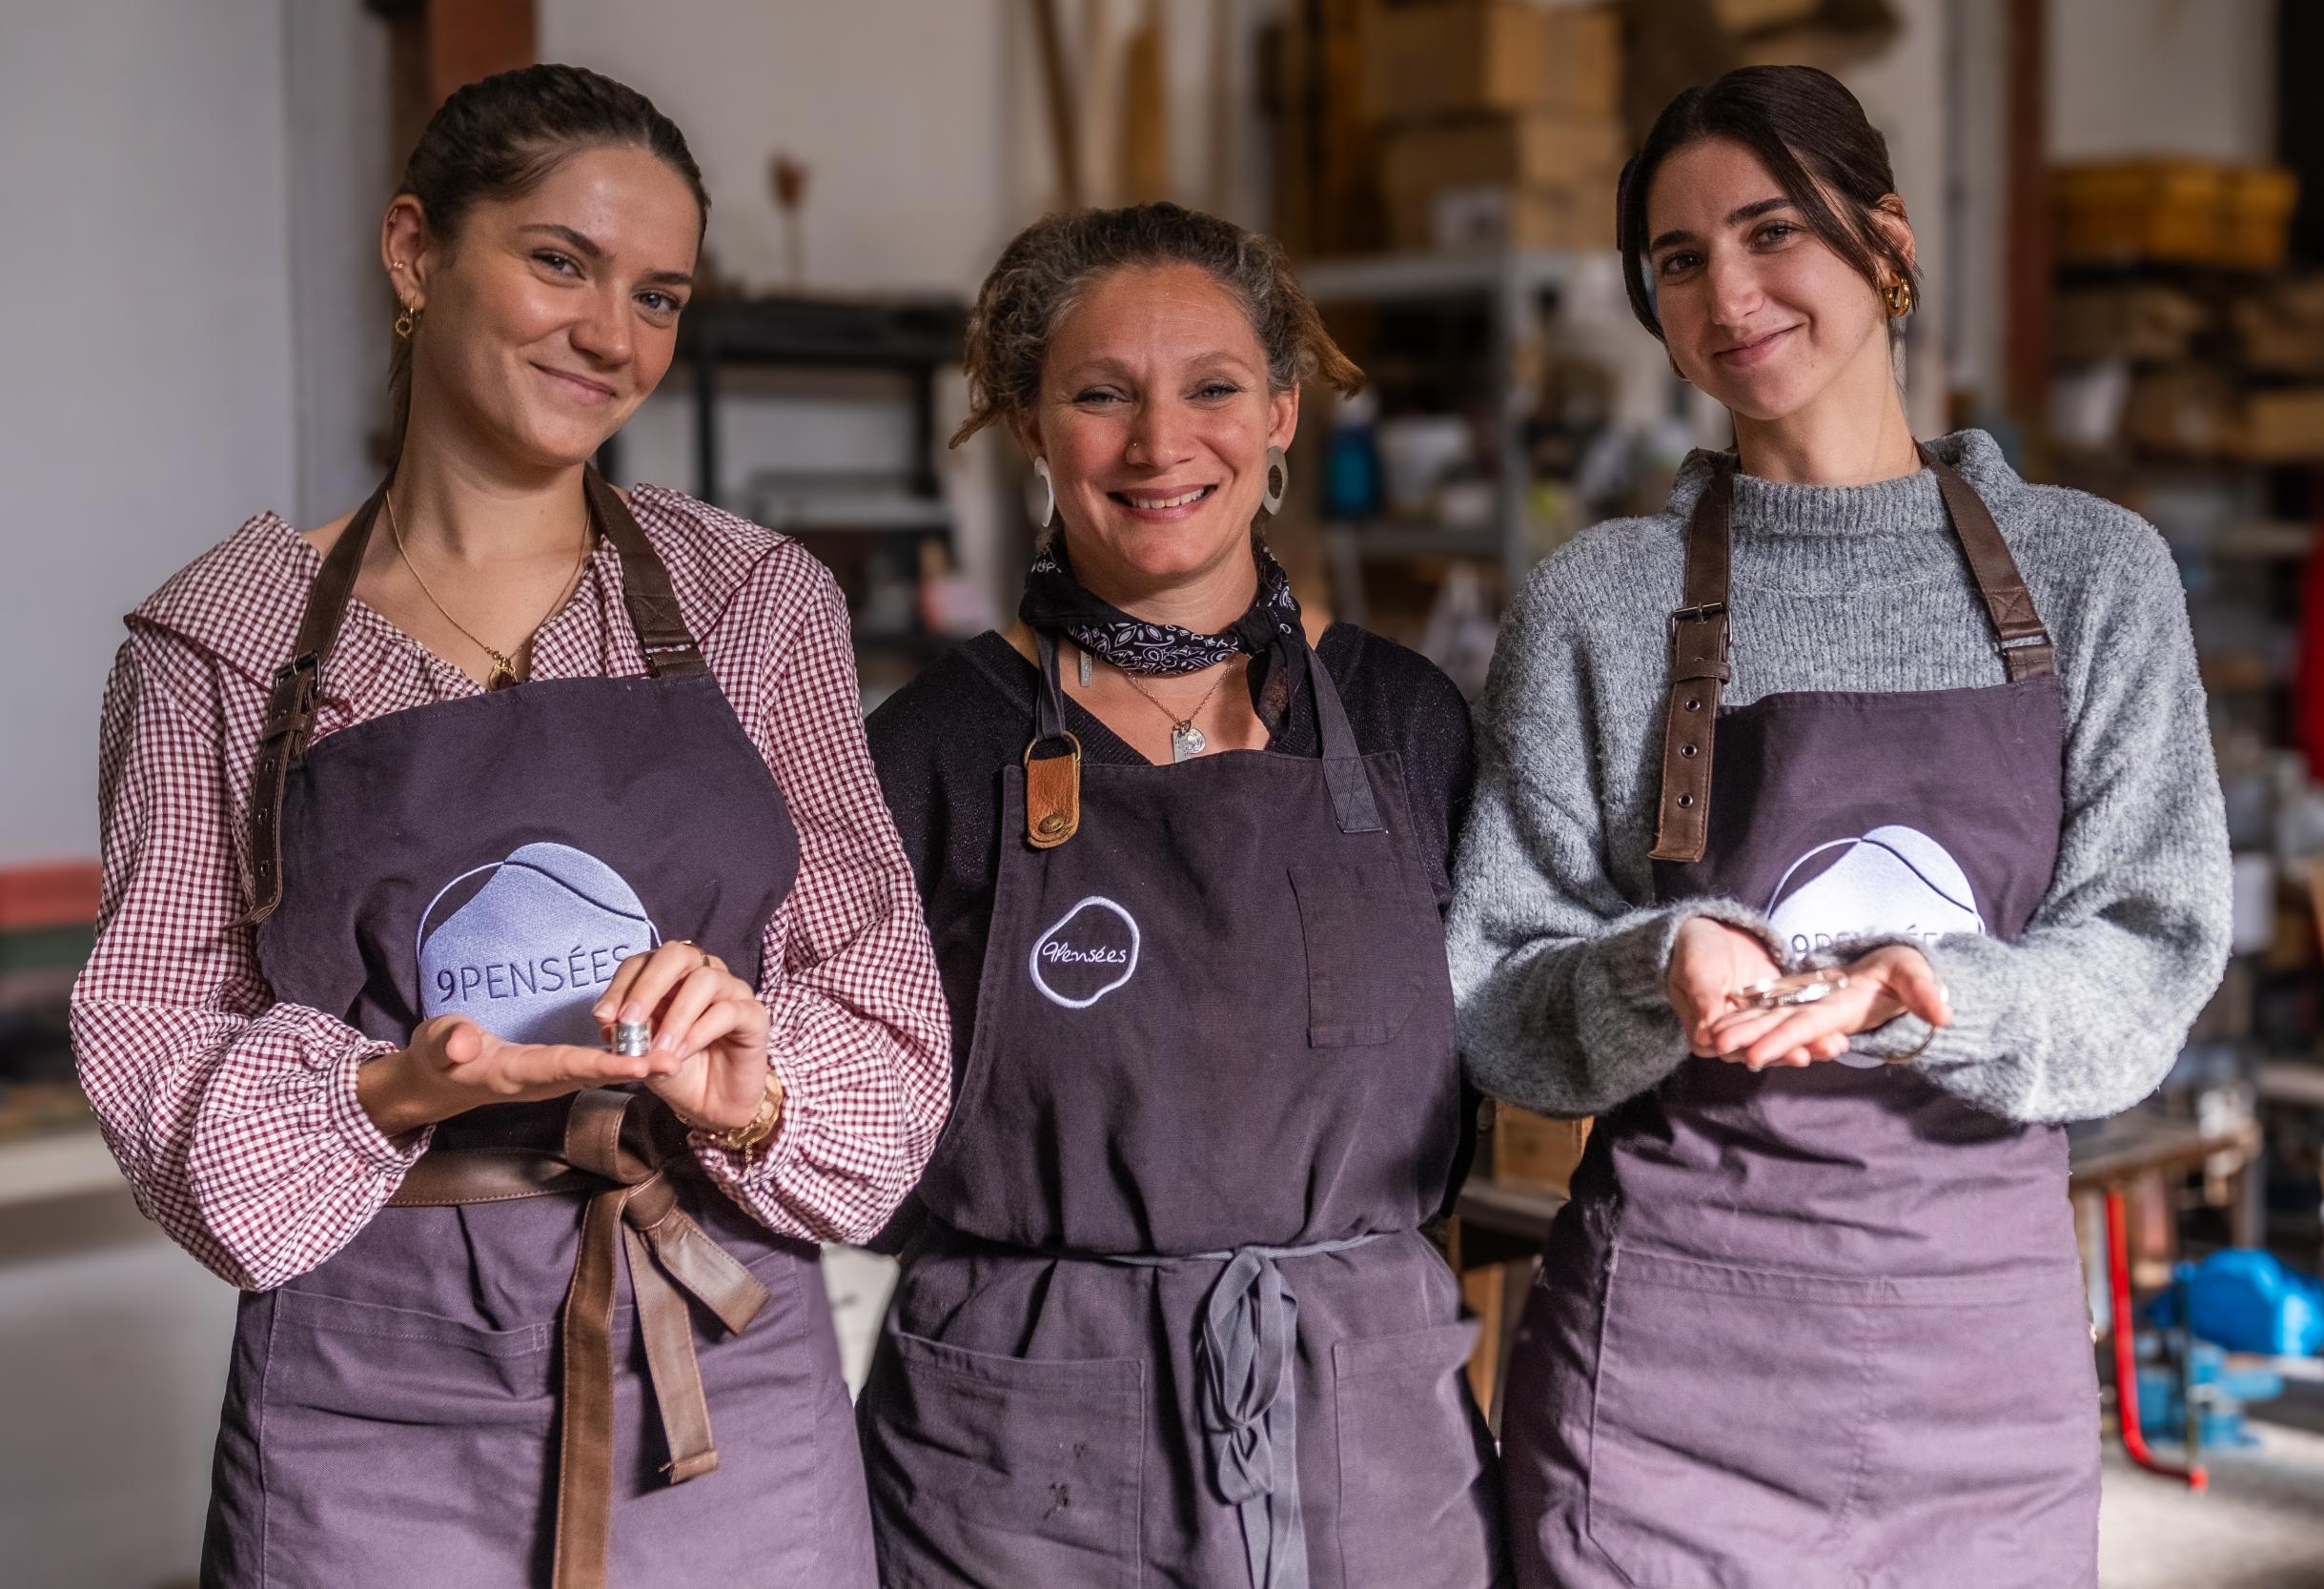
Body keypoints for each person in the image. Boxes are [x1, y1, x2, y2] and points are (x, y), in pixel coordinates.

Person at [71, 65, 950, 1588]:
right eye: (561, 261)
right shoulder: (220, 642)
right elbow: (154, 1031)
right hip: (368, 1391)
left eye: (660, 295)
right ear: (415, 252)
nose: (613, 336)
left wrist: (750, 1085)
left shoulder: (753, 605)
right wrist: (382, 1085)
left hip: (717, 1382)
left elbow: (882, 999)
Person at [1446, 66, 2231, 1588]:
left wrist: (1944, 991)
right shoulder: (1599, 602)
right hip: (1668, 1369)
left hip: (1979, 1377)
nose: (1728, 293)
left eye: (1767, 232)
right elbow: (1497, 991)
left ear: (1884, 245)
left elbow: (2151, 953)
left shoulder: (2093, 578)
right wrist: (1654, 965)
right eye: (1678, 261)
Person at [858, 202, 1503, 1588]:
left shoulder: (1407, 722)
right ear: (1031, 425)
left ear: (1279, 414)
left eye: (1212, 388)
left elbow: (1507, 1052)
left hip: (1367, 1428)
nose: (1161, 445)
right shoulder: (927, 749)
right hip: (1016, 1453)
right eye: (1101, 395)